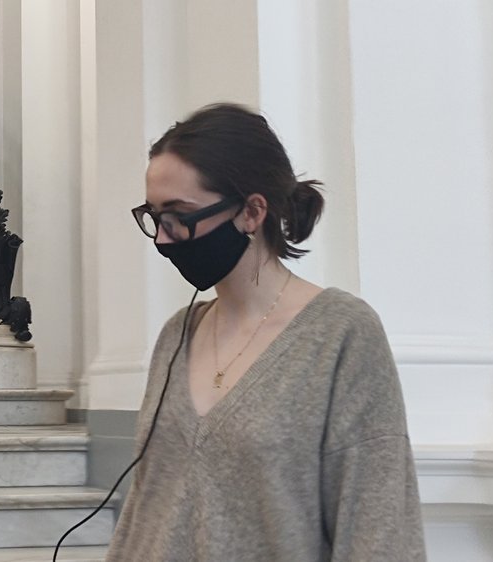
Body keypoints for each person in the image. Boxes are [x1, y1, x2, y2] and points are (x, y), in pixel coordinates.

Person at [106, 104, 426, 561]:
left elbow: (379, 525)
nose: (163, 237)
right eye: (154, 215)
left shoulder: (342, 333)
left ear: (252, 212)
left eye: (178, 215)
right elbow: (145, 509)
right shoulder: (177, 334)